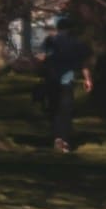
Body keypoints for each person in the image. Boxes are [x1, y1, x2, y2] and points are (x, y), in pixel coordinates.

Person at [35, 10, 87, 160]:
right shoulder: (75, 42)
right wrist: (87, 78)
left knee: (55, 109)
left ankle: (58, 138)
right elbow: (83, 62)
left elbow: (41, 57)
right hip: (66, 81)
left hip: (53, 80)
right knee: (65, 111)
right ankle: (63, 140)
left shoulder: (50, 41)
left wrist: (42, 64)